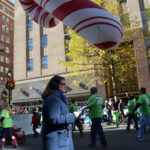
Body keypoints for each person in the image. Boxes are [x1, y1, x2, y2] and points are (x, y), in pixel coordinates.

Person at [41, 75, 80, 150]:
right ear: (55, 85)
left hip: (61, 139)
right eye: (63, 84)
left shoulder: (58, 98)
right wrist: (73, 116)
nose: (65, 86)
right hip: (56, 141)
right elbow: (55, 119)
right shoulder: (53, 99)